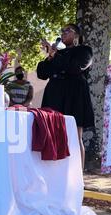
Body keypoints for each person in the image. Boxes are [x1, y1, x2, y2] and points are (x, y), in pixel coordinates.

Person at [37, 24, 95, 170]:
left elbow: (76, 67)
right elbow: (42, 73)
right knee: (53, 136)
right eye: (61, 31)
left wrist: (56, 55)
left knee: (75, 136)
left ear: (76, 35)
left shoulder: (84, 51)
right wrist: (50, 56)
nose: (63, 33)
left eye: (67, 30)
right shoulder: (58, 53)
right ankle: (57, 174)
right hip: (54, 95)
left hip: (74, 96)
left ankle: (78, 177)